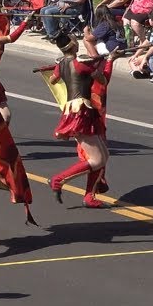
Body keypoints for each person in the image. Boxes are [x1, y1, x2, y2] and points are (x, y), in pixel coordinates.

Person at [42, 29, 114, 209]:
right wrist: (110, 60)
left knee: (103, 155)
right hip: (80, 111)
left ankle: (90, 196)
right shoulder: (81, 63)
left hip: (80, 110)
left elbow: (53, 79)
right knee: (96, 160)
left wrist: (61, 68)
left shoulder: (62, 64)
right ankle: (58, 180)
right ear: (73, 45)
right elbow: (103, 80)